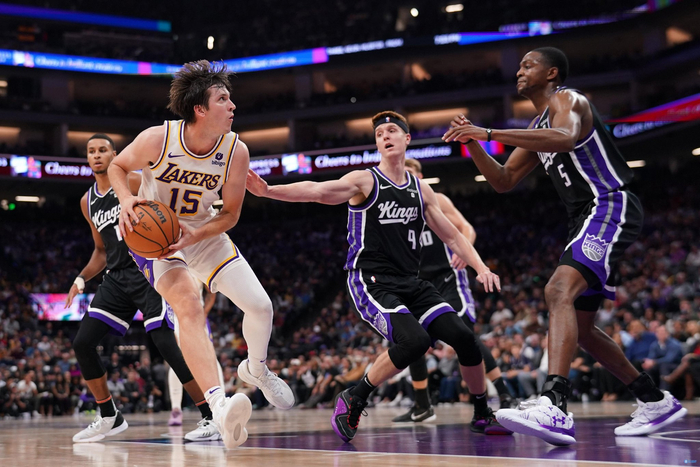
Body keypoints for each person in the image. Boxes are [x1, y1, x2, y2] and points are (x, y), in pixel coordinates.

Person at [442, 46, 687, 445]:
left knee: (557, 290)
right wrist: (472, 142)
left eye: (528, 65)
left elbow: (566, 137)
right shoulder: (538, 124)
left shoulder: (567, 100)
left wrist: (489, 133)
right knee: (583, 330)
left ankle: (554, 404)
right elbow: (503, 180)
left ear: (552, 73)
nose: (519, 71)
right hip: (584, 218)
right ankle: (654, 399)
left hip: (609, 203)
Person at [246, 110, 503, 443]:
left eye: (392, 130)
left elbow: (453, 236)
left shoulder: (421, 189)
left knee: (464, 337)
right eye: (380, 133)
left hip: (412, 281)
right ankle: (356, 397)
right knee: (415, 341)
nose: (385, 136)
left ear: (406, 139)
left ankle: (481, 411)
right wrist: (268, 191)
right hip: (371, 281)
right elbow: (318, 190)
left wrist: (481, 267)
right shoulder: (365, 181)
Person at [108, 60, 294, 449]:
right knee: (189, 306)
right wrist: (126, 199)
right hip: (158, 243)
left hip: (203, 233)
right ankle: (218, 405)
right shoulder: (158, 139)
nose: (232, 106)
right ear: (200, 109)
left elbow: (231, 214)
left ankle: (256, 370)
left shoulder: (236, 151)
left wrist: (196, 234)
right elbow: (117, 166)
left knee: (261, 307)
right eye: (223, 99)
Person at [66, 134, 220, 443]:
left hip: (148, 269)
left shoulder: (135, 181)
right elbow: (101, 250)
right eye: (91, 151)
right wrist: (80, 279)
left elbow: (167, 212)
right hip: (116, 277)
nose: (97, 155)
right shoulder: (87, 201)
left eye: (103, 150)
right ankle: (109, 415)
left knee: (166, 344)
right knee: (83, 343)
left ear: (115, 155)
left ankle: (211, 415)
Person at [391, 158, 514, 429]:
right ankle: (422, 405)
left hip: (447, 276)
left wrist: (464, 247)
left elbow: (466, 228)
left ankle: (504, 392)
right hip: (418, 283)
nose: (404, 177)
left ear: (420, 176)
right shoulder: (393, 205)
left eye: (409, 172)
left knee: (464, 333)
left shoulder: (435, 198)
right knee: (411, 339)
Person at [168, 274, 226, 438]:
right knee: (177, 358)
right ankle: (176, 408)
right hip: (175, 315)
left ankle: (221, 402)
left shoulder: (196, 265)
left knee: (209, 355)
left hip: (196, 315)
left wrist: (205, 312)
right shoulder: (169, 265)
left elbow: (212, 292)